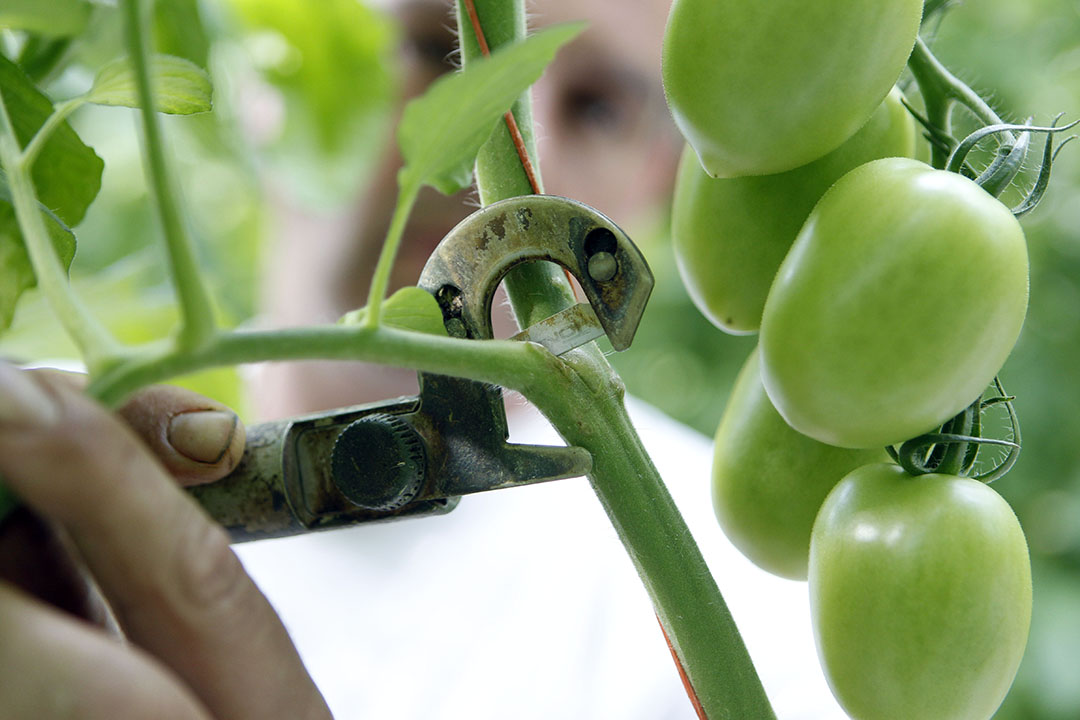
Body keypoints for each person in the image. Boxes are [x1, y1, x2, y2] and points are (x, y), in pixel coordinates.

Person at [0, 1, 847, 717]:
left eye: (596, 108)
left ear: (666, 177)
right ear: (274, 72)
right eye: (431, 52)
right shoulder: (45, 475)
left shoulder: (768, 602)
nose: (502, 175)